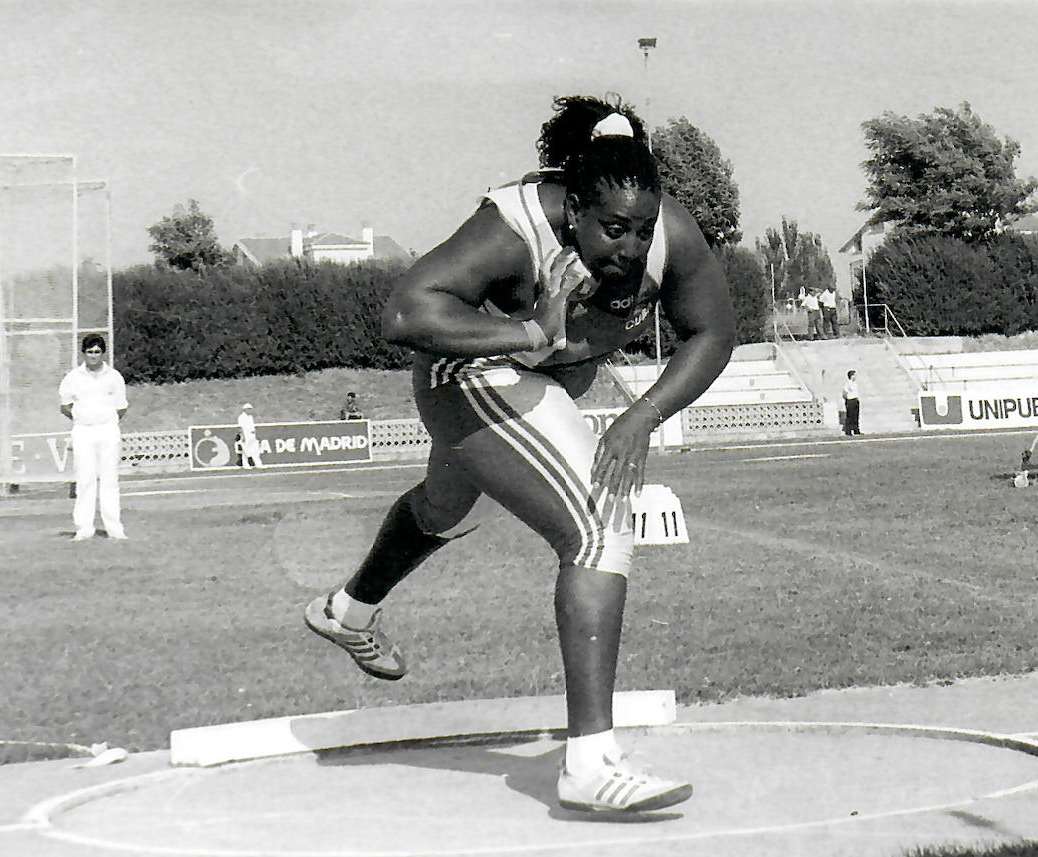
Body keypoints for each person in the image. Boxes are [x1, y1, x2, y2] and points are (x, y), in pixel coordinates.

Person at [303, 95, 734, 813]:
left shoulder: (670, 233)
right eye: (612, 230)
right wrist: (529, 330)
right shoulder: (516, 225)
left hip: (533, 385)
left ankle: (348, 610)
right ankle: (591, 764)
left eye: (643, 228)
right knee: (599, 527)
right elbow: (406, 312)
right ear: (572, 206)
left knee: (446, 506)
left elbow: (713, 332)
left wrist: (642, 415)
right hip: (472, 375)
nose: (628, 248)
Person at [59, 333, 128, 540]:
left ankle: (115, 529)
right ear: (84, 353)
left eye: (97, 352)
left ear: (102, 353)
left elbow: (121, 408)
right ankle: (84, 528)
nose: (93, 356)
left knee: (109, 479)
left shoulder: (114, 377)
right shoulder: (73, 377)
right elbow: (65, 406)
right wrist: (83, 419)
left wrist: (106, 420)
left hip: (107, 430)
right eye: (90, 352)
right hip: (83, 431)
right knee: (85, 479)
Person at [236, 403, 263, 468]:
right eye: (249, 409)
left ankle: (258, 464)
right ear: (245, 410)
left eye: (250, 409)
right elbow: (240, 427)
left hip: (252, 435)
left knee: (255, 450)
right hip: (246, 435)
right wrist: (243, 436)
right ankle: (246, 465)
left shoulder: (250, 417)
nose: (250, 411)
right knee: (246, 451)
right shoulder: (241, 417)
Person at [842, 368, 862, 435]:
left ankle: (856, 430)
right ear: (851, 376)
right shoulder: (847, 383)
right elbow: (844, 393)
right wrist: (847, 400)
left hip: (855, 400)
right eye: (854, 375)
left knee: (856, 416)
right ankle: (848, 431)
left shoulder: (855, 383)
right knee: (850, 416)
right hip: (850, 400)